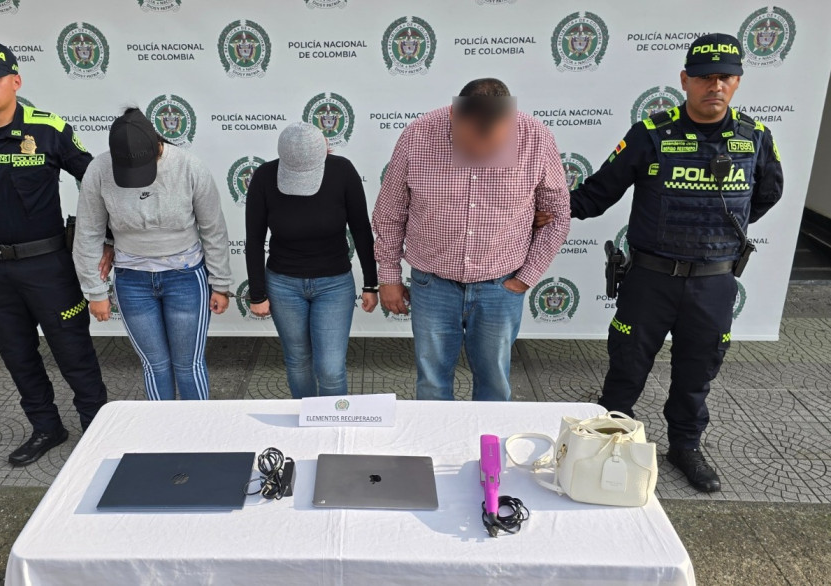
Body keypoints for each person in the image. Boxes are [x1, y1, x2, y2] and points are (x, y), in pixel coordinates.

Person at [568, 34, 783, 492]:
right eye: (704, 77)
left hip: (713, 283)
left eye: (725, 77)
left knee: (697, 372)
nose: (715, 85)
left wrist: (719, 237)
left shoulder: (755, 138)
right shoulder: (651, 133)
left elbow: (766, 195)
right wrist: (530, 205)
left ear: (738, 82)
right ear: (685, 80)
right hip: (650, 278)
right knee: (625, 368)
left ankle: (684, 446)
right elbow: (596, 195)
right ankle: (608, 440)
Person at [0, 42, 108, 466]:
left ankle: (98, 428)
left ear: (16, 81)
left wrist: (107, 241)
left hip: (48, 268)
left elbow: (96, 184)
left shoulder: (49, 129)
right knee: (17, 354)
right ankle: (46, 427)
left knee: (74, 353)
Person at [373, 78, 571, 401]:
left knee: (494, 383)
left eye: (490, 148)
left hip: (501, 285)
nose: (478, 154)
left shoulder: (536, 139)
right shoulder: (417, 135)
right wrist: (389, 276)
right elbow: (390, 212)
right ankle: (435, 449)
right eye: (467, 145)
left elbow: (558, 215)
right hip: (432, 284)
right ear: (453, 115)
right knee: (432, 382)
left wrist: (526, 277)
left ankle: (488, 449)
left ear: (509, 122)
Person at [74, 108, 232, 400]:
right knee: (154, 365)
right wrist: (94, 291)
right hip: (131, 280)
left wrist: (221, 283)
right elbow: (87, 232)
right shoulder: (99, 169)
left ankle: (200, 437)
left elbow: (213, 228)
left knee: (188, 365)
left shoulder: (189, 167)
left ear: (158, 146)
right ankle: (163, 437)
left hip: (185, 277)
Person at [245, 122, 378, 398]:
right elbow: (254, 239)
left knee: (330, 368)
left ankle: (333, 429)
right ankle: (306, 430)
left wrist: (371, 283)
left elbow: (361, 230)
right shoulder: (265, 177)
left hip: (334, 285)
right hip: (283, 284)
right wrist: (257, 294)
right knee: (298, 361)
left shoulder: (343, 172)